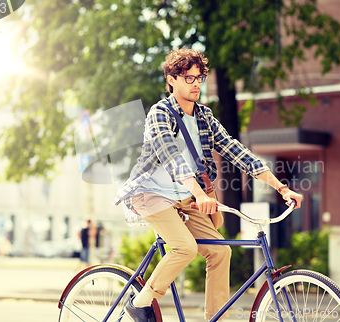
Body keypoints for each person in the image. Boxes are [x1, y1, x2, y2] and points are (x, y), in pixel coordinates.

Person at [115, 48, 303, 322]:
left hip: (186, 198)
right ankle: (140, 302)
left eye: (199, 78)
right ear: (171, 79)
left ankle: (216, 318)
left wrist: (281, 187)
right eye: (188, 78)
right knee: (185, 248)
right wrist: (198, 193)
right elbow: (171, 156)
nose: (195, 84)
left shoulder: (204, 117)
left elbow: (236, 151)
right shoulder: (160, 113)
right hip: (151, 193)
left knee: (220, 251)